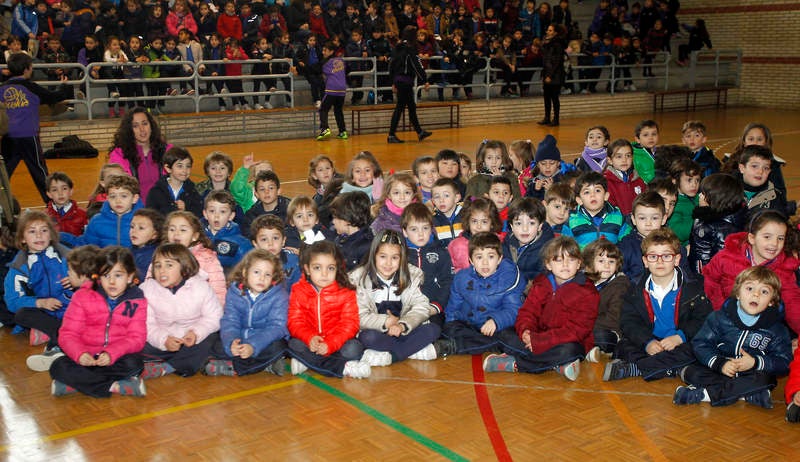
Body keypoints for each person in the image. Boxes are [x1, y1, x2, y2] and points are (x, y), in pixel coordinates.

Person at [483, 236, 599, 380]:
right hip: (536, 336)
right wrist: (527, 332)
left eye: (571, 259)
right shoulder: (541, 283)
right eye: (558, 260)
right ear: (548, 264)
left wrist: (540, 341)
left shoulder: (587, 291)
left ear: (579, 264)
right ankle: (557, 364)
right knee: (505, 334)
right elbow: (528, 312)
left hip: (564, 342)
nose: (565, 264)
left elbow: (577, 330)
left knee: (570, 351)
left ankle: (514, 364)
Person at [603, 228, 712, 382]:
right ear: (645, 261)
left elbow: (703, 319)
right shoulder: (635, 287)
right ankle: (673, 369)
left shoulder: (694, 286)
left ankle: (638, 368)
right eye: (653, 256)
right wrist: (647, 342)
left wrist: (680, 337)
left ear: (677, 259)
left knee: (697, 349)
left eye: (666, 256)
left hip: (681, 340)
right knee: (623, 346)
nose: (660, 261)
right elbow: (629, 321)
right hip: (651, 339)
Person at [675, 266, 791, 408]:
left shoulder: (777, 329)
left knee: (765, 380)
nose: (756, 295)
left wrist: (755, 362)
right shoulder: (719, 318)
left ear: (772, 301)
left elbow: (784, 362)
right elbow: (701, 343)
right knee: (692, 371)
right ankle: (748, 394)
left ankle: (705, 395)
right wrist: (720, 363)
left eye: (764, 292)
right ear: (738, 293)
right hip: (719, 369)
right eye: (749, 289)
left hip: (751, 373)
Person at [50, 246, 148, 397]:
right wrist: (80, 354)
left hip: (114, 358)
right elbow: (68, 334)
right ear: (98, 277)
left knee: (135, 363)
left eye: (118, 275)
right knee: (58, 366)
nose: (112, 281)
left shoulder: (137, 300)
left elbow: (137, 338)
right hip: (86, 357)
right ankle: (114, 386)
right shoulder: (82, 296)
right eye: (106, 275)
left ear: (129, 277)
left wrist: (111, 353)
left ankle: (77, 384)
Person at [350, 230, 442, 365]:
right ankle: (411, 350)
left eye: (394, 258)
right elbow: (359, 316)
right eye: (383, 257)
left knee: (433, 329)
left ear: (402, 258)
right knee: (368, 337)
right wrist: (386, 321)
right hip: (376, 332)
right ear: (373, 255)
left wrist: (402, 325)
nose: (388, 263)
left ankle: (391, 356)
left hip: (403, 331)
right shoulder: (359, 279)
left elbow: (421, 307)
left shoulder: (411, 275)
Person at [702, 210, 800, 335]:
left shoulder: (783, 269)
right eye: (767, 237)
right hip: (722, 321)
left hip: (759, 329)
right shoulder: (726, 257)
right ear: (752, 238)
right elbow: (710, 281)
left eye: (780, 238)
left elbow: (793, 304)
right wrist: (721, 311)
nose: (774, 244)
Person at [287, 241, 371, 378]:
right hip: (312, 344)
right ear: (307, 269)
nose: (324, 274)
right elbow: (295, 322)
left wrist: (330, 344)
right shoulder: (298, 290)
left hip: (337, 344)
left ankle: (308, 362)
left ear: (337, 268)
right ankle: (343, 368)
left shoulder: (346, 292)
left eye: (330, 268)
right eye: (317, 268)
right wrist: (310, 338)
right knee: (293, 344)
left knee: (354, 348)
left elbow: (350, 324)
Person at [436, 232, 525, 358]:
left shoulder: (509, 278)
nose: (485, 263)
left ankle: (456, 346)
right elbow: (453, 306)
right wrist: (450, 322)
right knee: (445, 328)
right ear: (471, 260)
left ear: (499, 259)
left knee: (509, 339)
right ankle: (488, 344)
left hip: (496, 328)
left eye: (490, 257)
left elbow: (514, 309)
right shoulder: (462, 278)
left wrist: (496, 321)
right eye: (479, 257)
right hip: (470, 325)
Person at [140, 244, 223, 378]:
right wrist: (163, 340)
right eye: (158, 265)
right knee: (135, 345)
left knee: (213, 339)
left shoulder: (201, 287)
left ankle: (166, 368)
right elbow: (147, 325)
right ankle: (186, 362)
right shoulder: (146, 290)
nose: (162, 271)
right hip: (162, 340)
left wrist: (196, 333)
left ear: (184, 267)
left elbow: (215, 317)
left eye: (169, 265)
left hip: (191, 341)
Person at [4, 211, 71, 371]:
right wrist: (39, 302)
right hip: (44, 314)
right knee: (21, 314)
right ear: (22, 238)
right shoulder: (19, 266)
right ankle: (62, 339)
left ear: (52, 234)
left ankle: (55, 347)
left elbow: (92, 279)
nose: (39, 235)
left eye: (44, 230)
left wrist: (78, 281)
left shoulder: (67, 256)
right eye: (32, 231)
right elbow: (12, 301)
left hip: (69, 310)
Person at [205, 250, 289, 377]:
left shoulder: (279, 295)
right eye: (256, 272)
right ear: (245, 272)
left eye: (267, 274)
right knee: (213, 343)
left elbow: (277, 328)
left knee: (280, 347)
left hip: (263, 341)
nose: (262, 278)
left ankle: (232, 368)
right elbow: (230, 321)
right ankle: (265, 365)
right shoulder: (234, 292)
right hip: (240, 338)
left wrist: (253, 346)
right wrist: (232, 342)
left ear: (273, 277)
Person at [1, 53, 69, 204]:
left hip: (8, 137)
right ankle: (52, 204)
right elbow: (54, 97)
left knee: (4, 173)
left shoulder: (2, 89)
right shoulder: (31, 87)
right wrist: (64, 86)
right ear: (27, 69)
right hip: (28, 136)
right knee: (39, 171)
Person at [401, 203, 453, 320]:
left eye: (425, 228)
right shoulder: (399, 254)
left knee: (433, 330)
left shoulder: (441, 253)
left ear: (431, 228)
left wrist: (436, 306)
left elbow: (447, 282)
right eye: (414, 229)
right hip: (405, 309)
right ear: (404, 232)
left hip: (432, 309)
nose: (421, 234)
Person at [108, 107, 172, 201]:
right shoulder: (119, 155)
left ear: (151, 126)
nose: (142, 129)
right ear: (129, 130)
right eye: (135, 126)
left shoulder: (167, 150)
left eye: (145, 123)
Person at [163, 211, 227, 305]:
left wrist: (215, 312)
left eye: (183, 230)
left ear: (195, 236)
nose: (176, 234)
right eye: (172, 229)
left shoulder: (207, 258)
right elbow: (151, 284)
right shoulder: (161, 255)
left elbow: (218, 290)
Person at [688, 173, 747, 275]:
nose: (700, 196)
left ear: (715, 199)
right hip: (697, 271)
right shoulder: (706, 219)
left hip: (706, 277)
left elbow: (722, 264)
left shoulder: (724, 229)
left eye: (704, 194)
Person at [583, 239, 629, 359]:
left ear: (617, 264)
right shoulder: (583, 282)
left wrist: (583, 324)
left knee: (600, 337)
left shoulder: (620, 285)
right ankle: (587, 351)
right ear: (590, 264)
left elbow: (614, 319)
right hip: (584, 327)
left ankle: (585, 350)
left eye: (611, 261)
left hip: (609, 331)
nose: (607, 265)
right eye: (601, 261)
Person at [387, 26, 432, 144]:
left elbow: (391, 65)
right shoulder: (410, 48)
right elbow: (417, 65)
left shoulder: (398, 47)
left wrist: (393, 81)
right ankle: (391, 135)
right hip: (406, 81)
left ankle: (419, 132)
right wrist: (425, 80)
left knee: (410, 107)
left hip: (399, 80)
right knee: (401, 108)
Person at [562, 172, 629, 248]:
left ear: (606, 196)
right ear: (579, 200)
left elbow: (627, 245)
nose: (592, 195)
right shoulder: (572, 221)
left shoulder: (618, 217)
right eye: (587, 192)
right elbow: (567, 249)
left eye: (597, 190)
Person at [503, 197, 554, 284]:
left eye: (531, 223)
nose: (525, 229)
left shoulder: (547, 248)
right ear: (511, 226)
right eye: (518, 223)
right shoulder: (507, 243)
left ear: (540, 226)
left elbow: (543, 277)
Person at [145, 146, 204, 218]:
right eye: (180, 166)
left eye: (188, 166)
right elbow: (150, 217)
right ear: (168, 168)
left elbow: (200, 215)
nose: (184, 170)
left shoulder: (193, 191)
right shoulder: (156, 192)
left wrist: (186, 210)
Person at [202, 190, 253, 272]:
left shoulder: (241, 244)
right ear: (205, 214)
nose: (216, 216)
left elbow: (247, 271)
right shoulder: (196, 238)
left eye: (222, 211)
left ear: (231, 216)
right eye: (212, 211)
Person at [448, 198, 502, 271]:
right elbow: (450, 269)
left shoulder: (499, 242)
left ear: (492, 223)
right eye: (474, 221)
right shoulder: (457, 245)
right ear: (468, 221)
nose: (478, 226)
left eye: (484, 222)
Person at [250, 214, 302, 288]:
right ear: (255, 244)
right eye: (264, 239)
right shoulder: (250, 264)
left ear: (283, 241)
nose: (270, 243)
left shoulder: (294, 262)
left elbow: (300, 289)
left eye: (275, 238)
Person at [316, 41, 349, 140]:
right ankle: (343, 131)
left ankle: (324, 129)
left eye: (325, 50)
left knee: (323, 108)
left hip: (332, 89)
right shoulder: (341, 60)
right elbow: (348, 70)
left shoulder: (326, 62)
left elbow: (315, 69)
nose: (323, 52)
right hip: (342, 90)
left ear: (331, 51)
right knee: (338, 111)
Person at [603, 139, 645, 216]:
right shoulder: (606, 182)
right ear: (610, 160)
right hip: (619, 224)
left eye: (628, 156)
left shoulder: (638, 179)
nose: (624, 160)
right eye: (619, 156)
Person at [45, 172, 88, 237]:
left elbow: (88, 239)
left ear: (71, 191)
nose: (60, 193)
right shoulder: (44, 216)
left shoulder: (83, 215)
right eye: (55, 190)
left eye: (64, 188)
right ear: (49, 194)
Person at [538, 24, 565, 127]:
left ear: (555, 33)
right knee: (546, 97)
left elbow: (557, 61)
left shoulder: (557, 44)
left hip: (555, 75)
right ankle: (547, 118)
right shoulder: (547, 43)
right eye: (547, 30)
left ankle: (556, 119)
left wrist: (550, 75)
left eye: (550, 30)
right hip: (547, 73)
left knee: (554, 98)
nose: (547, 32)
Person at [129, 208, 163, 281]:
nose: (134, 231)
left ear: (155, 234)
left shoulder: (155, 255)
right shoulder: (130, 251)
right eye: (132, 226)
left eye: (141, 228)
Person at [431, 178, 464, 245]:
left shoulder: (466, 215)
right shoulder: (432, 220)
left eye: (446, 195)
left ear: (456, 198)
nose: (441, 200)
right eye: (437, 197)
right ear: (433, 201)